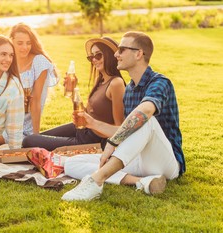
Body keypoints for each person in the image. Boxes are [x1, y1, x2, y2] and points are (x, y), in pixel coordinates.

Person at [61, 31, 186, 201]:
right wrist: (92, 123)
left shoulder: (160, 82)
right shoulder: (129, 90)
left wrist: (112, 143)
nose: (115, 54)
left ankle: (96, 181)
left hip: (165, 161)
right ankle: (141, 181)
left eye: (121, 50)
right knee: (71, 163)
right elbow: (125, 129)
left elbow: (145, 112)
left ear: (138, 54)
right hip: (137, 160)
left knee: (145, 120)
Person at [22, 36, 125, 151]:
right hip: (81, 128)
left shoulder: (116, 84)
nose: (94, 60)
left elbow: (119, 127)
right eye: (91, 57)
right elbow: (87, 115)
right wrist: (73, 92)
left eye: (98, 55)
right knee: (34, 138)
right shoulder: (100, 80)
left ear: (110, 55)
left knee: (29, 141)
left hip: (90, 140)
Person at [0, 23, 58, 144]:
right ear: (11, 41)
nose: (25, 47)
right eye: (20, 43)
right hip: (4, 121)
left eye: (28, 43)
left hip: (25, 128)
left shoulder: (39, 62)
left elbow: (36, 101)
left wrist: (36, 137)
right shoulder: (7, 62)